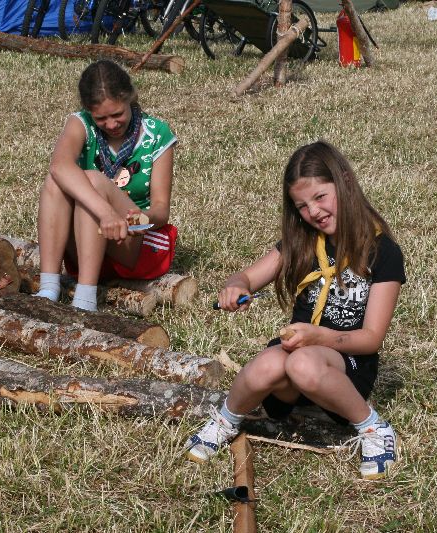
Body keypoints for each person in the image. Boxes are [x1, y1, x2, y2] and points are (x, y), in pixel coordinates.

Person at [185, 140, 405, 480]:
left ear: (345, 182)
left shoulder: (383, 251)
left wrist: (320, 337)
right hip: (295, 360)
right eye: (302, 206)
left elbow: (372, 338)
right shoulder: (303, 241)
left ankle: (374, 428)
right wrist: (236, 286)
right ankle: (226, 421)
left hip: (347, 365)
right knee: (266, 364)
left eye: (320, 197)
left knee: (302, 362)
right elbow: (247, 277)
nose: (313, 211)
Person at [34, 60, 177, 311]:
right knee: (56, 181)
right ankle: (48, 288)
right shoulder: (80, 123)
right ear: (88, 111)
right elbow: (59, 166)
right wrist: (106, 213)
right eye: (101, 118)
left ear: (130, 98)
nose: (111, 125)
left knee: (92, 180)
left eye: (118, 114)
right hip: (86, 239)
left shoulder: (157, 133)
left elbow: (161, 210)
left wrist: (138, 219)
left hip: (134, 239)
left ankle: (85, 299)